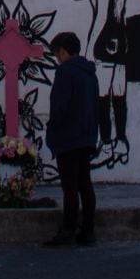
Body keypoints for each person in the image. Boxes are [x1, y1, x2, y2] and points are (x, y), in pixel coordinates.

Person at [50, 0, 133, 166]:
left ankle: (105, 145)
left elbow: (101, 16)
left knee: (101, 97)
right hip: (121, 41)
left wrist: (87, 51)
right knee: (118, 96)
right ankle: (121, 143)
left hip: (104, 40)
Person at [43, 30, 100, 247]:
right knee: (85, 184)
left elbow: (59, 106)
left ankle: (67, 229)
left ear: (64, 51)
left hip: (68, 137)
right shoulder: (89, 73)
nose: (57, 58)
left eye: (57, 53)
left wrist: (53, 130)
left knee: (69, 187)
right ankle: (88, 229)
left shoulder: (65, 72)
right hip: (86, 136)